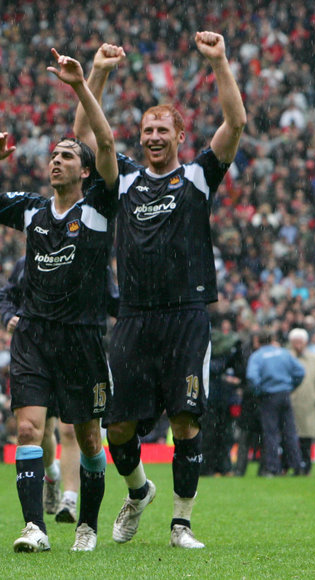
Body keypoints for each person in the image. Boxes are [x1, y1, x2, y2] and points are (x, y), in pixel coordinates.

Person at [73, 34, 245, 549]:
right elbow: (86, 143)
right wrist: (97, 73)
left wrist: (218, 62)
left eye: (161, 129)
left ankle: (181, 525)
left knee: (187, 419)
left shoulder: (197, 176)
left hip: (187, 313)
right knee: (118, 428)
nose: (152, 135)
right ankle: (138, 490)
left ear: (178, 134)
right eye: (146, 129)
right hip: (134, 316)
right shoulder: (122, 178)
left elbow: (235, 124)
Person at [0, 48, 117, 552]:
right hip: (33, 335)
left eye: (67, 156)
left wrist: (82, 85)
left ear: (86, 171)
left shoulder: (98, 205)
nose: (56, 160)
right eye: (53, 155)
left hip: (83, 337)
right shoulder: (31, 208)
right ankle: (35, 526)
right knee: (28, 429)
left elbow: (105, 140)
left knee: (89, 439)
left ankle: (88, 525)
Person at [0, 257, 82, 523]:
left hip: (71, 351)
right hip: (34, 354)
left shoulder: (79, 256)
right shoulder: (26, 262)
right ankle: (52, 475)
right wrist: (9, 316)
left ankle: (69, 500)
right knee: (40, 431)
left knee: (69, 429)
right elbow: (6, 295)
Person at [246, 329, 306, 477]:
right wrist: (291, 386)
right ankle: (297, 465)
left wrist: (259, 391)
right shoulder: (283, 353)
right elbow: (300, 371)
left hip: (268, 397)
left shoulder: (257, 356)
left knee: (271, 433)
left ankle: (273, 468)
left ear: (258, 342)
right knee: (290, 432)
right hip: (284, 394)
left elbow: (252, 377)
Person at [200, 317, 244, 476]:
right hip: (215, 399)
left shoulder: (209, 350)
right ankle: (214, 467)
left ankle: (216, 467)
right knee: (215, 434)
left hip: (218, 399)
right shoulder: (221, 353)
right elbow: (216, 368)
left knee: (221, 434)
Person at [288, 328, 315, 475]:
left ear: (305, 342)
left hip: (309, 405)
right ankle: (292, 466)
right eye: (295, 342)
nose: (298, 345)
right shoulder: (286, 357)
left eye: (300, 342)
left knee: (306, 438)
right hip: (290, 403)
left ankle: (306, 467)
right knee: (290, 437)